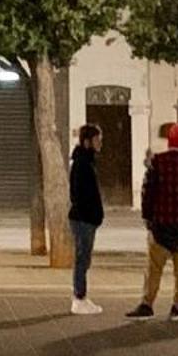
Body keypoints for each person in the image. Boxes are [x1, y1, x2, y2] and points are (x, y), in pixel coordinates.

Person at [126, 122, 178, 320]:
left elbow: (148, 191)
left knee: (154, 266)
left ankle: (147, 303)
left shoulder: (158, 162)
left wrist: (147, 216)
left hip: (161, 221)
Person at [67, 124, 106, 315]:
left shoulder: (87, 161)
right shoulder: (82, 163)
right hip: (83, 219)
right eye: (98, 139)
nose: (100, 143)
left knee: (84, 258)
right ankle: (79, 298)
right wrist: (91, 213)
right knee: (82, 259)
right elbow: (78, 194)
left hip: (87, 219)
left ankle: (81, 295)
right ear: (87, 141)